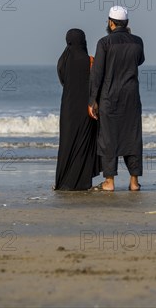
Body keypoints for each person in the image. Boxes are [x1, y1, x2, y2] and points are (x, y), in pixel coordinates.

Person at [88, 6, 145, 191]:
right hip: (131, 97)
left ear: (110, 22)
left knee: (108, 138)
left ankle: (109, 182)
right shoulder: (138, 42)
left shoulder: (104, 43)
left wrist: (92, 101)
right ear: (127, 23)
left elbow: (97, 74)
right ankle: (134, 182)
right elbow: (140, 60)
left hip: (109, 97)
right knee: (133, 137)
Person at [55, 28, 99, 190]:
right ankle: (82, 182)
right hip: (86, 107)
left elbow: (63, 80)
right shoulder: (90, 61)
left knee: (67, 143)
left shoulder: (63, 61)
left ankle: (62, 181)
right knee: (84, 143)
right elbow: (96, 83)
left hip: (67, 107)